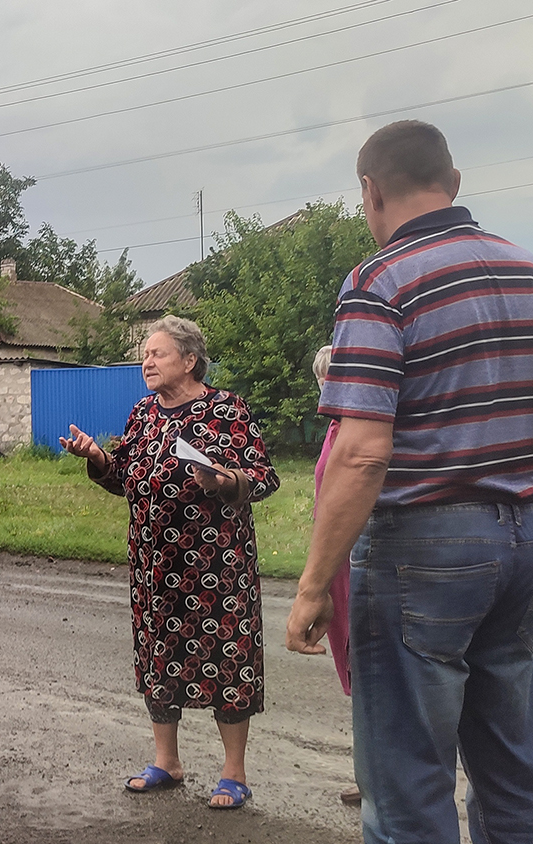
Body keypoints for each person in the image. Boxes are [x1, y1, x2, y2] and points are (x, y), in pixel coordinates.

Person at [285, 120, 533, 843]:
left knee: (406, 787)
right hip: (522, 541)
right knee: (515, 774)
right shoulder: (525, 271)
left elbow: (361, 452)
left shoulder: (379, 282)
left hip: (425, 547)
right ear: (452, 183)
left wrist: (311, 588)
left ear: (369, 191)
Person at [61, 315, 279, 810]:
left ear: (189, 360)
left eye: (157, 353)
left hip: (217, 567)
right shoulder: (143, 414)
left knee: (227, 657)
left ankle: (233, 773)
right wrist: (97, 457)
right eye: (145, 354)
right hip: (154, 566)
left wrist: (225, 481)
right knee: (158, 657)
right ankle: (167, 761)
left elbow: (264, 476)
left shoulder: (228, 411)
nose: (147, 361)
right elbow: (124, 475)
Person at [312, 345, 359, 807]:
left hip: (360, 559)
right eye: (323, 378)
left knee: (373, 665)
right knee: (357, 665)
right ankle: (372, 773)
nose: (327, 386)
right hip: (339, 563)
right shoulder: (334, 428)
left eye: (333, 377)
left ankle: (382, 777)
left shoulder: (358, 431)